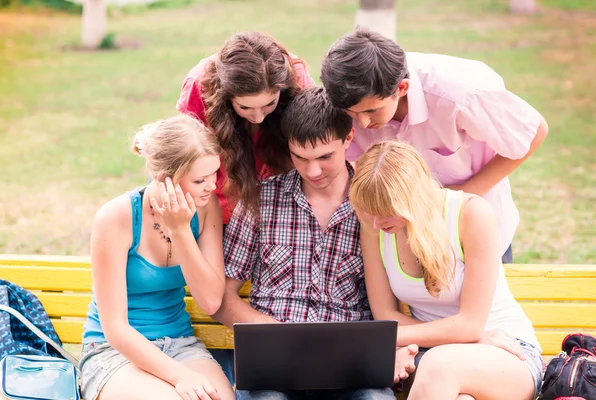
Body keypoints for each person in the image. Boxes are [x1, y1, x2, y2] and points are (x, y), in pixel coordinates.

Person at [213, 87, 416, 400]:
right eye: (300, 157)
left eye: (325, 157)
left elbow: (393, 303)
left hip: (353, 369)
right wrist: (272, 332)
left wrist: (397, 348)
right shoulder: (261, 199)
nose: (313, 170)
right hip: (273, 369)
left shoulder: (375, 206)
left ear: (348, 139)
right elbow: (223, 297)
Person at [320, 28, 549, 264]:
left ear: (401, 89)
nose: (363, 123)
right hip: (398, 239)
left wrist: (468, 191)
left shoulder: (462, 93)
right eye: (352, 113)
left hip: (472, 233)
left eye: (371, 110)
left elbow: (532, 133)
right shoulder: (343, 96)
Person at [349, 140, 544, 400]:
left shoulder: (470, 214)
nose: (375, 221)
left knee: (439, 366)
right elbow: (386, 314)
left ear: (413, 198)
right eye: (368, 211)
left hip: (506, 351)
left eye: (386, 211)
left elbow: (470, 325)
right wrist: (460, 337)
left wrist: (465, 336)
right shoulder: (375, 227)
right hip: (432, 355)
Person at [79, 115, 235, 400]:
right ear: (165, 179)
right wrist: (180, 377)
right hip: (115, 351)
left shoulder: (205, 205)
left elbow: (211, 299)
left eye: (214, 173)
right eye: (200, 179)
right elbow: (115, 328)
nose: (212, 186)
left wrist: (180, 231)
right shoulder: (116, 218)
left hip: (180, 343)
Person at [177, 31, 316, 225]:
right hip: (216, 208)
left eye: (269, 103)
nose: (258, 117)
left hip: (281, 207)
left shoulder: (296, 76)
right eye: (245, 107)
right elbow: (190, 158)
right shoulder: (199, 84)